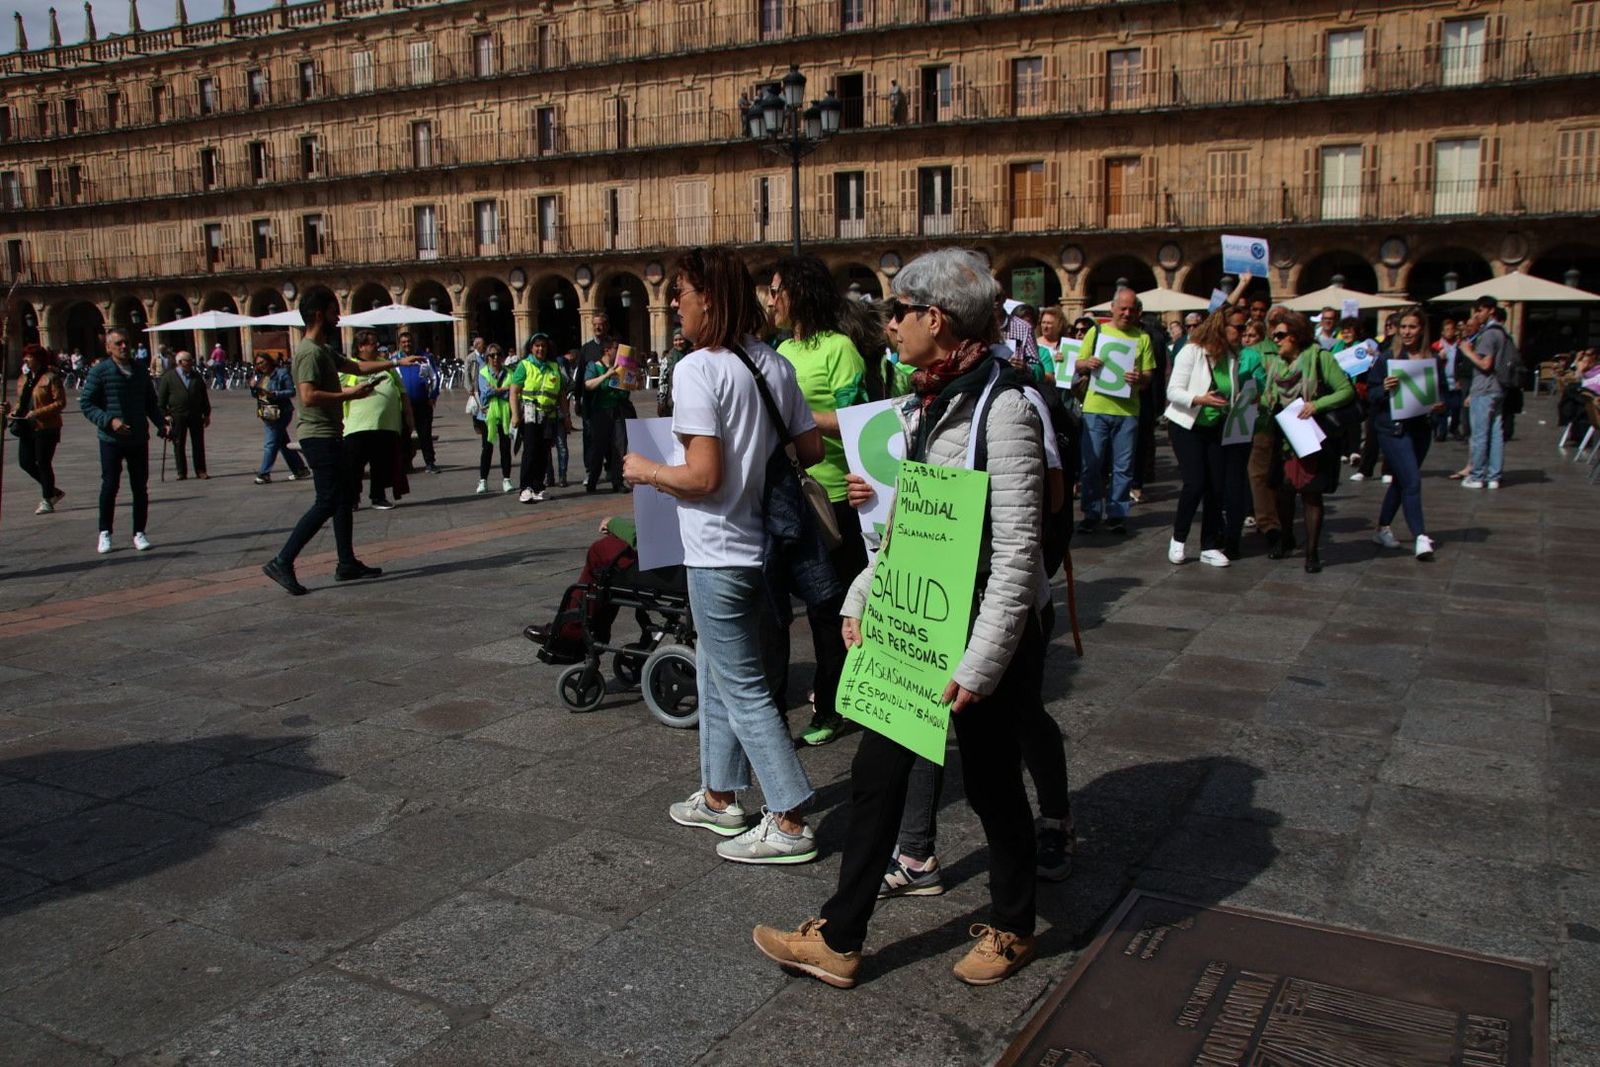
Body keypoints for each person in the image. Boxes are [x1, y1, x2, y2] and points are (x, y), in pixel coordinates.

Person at [752, 248, 1047, 989]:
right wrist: (860, 597)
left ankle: (1013, 923)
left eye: (898, 311)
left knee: (989, 781)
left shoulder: (1003, 409)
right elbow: (910, 527)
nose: (889, 324)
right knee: (876, 771)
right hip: (918, 620)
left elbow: (1016, 556)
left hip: (987, 629)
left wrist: (980, 664)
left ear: (934, 319)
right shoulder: (920, 405)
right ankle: (839, 936)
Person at [620, 245, 824, 865]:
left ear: (707, 296)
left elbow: (703, 477)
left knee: (744, 687)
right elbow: (810, 450)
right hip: (762, 547)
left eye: (678, 294)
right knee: (715, 670)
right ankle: (719, 795)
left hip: (717, 549)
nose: (672, 306)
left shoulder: (696, 370)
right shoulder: (772, 363)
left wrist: (649, 470)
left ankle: (787, 818)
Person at [767, 254, 870, 747]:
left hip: (832, 496)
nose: (771, 299)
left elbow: (857, 420)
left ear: (800, 291)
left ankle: (834, 706)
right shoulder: (779, 347)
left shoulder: (840, 348)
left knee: (832, 610)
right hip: (787, 495)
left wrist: (798, 416)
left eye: (777, 289)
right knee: (779, 610)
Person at [261, 290, 425, 595]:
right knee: (328, 500)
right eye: (335, 311)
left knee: (344, 498)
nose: (339, 317)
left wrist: (395, 362)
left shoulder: (323, 350)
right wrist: (348, 395)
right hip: (317, 436)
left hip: (331, 434)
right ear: (320, 314)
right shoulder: (309, 352)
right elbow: (307, 396)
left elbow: (356, 367)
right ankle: (282, 560)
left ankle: (346, 562)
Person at [1262, 311, 1354, 573]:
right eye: (1273, 336)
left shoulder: (1319, 358)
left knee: (1311, 494)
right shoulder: (1278, 366)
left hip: (1313, 433)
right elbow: (1272, 397)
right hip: (1285, 436)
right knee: (1283, 491)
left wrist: (1316, 404)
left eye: (1280, 335)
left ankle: (1312, 552)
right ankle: (1287, 537)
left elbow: (1345, 391)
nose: (1275, 340)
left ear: (1296, 335)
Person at [1164, 310, 1241, 568]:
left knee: (1216, 487)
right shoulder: (1191, 352)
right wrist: (1200, 399)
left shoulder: (1230, 357)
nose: (1240, 334)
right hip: (1186, 425)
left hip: (1216, 426)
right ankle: (1178, 537)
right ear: (1222, 327)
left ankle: (1209, 545)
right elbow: (1173, 391)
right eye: (1237, 328)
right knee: (1195, 483)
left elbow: (1231, 391)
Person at [1075, 287, 1153, 535]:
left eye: (1132, 309)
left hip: (1128, 412)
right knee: (1091, 464)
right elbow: (1077, 364)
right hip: (1095, 409)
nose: (1127, 313)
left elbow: (1150, 375)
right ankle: (1091, 512)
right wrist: (1087, 364)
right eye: (1123, 308)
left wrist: (1140, 377)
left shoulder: (1143, 338)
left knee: (1123, 467)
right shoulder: (1095, 332)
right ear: (1113, 307)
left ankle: (1117, 513)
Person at [80, 327, 166, 553]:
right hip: (111, 439)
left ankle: (139, 532)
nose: (124, 347)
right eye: (118, 343)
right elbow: (87, 404)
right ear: (108, 348)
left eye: (126, 342)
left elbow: (150, 402)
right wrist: (109, 421)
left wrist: (162, 424)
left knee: (140, 487)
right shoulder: (100, 371)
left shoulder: (140, 370)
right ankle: (105, 532)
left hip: (138, 437)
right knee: (110, 485)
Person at [1369, 307, 1441, 561]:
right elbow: (1371, 394)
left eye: (1412, 327)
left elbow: (1438, 393)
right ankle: (1421, 537)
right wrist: (1384, 388)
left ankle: (1382, 528)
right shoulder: (1387, 358)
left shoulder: (1430, 358)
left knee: (1402, 481)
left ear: (1421, 329)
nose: (1407, 332)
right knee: (1412, 480)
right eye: (1404, 327)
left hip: (1420, 427)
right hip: (1393, 429)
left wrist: (1437, 404)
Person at [342, 330, 412, 510]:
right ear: (360, 347)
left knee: (380, 463)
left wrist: (408, 416)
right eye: (372, 343)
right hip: (357, 425)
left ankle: (378, 496)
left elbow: (402, 391)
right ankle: (351, 498)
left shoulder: (385, 364)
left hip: (385, 424)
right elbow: (338, 391)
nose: (377, 346)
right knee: (354, 465)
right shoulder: (350, 366)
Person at [3, 343, 68, 514]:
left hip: (47, 427)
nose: (25, 359)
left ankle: (47, 499)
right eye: (25, 356)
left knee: (43, 462)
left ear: (38, 359)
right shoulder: (23, 379)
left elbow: (60, 403)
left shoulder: (50, 377)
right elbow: (21, 402)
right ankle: (53, 490)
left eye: (29, 356)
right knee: (25, 462)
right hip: (26, 426)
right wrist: (11, 410)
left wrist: (38, 412)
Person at [1458, 296, 1512, 490]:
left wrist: (1467, 352)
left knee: (1480, 434)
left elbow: (1485, 364)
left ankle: (1477, 475)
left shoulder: (1489, 334)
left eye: (1480, 311)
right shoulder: (1503, 332)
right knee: (1496, 434)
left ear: (1490, 310)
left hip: (1484, 388)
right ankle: (1494, 476)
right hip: (1498, 388)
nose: (1477, 315)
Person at [510, 332, 563, 502]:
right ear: (531, 348)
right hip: (530, 413)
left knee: (544, 451)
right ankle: (525, 487)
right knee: (530, 450)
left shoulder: (553, 366)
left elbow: (561, 393)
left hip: (549, 415)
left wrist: (566, 416)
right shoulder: (524, 365)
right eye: (537, 346)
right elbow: (514, 391)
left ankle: (538, 486)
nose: (540, 349)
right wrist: (515, 415)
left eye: (543, 346)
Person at [250, 352, 310, 484]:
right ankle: (300, 469)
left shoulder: (281, 373)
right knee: (282, 443)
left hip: (281, 412)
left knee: (270, 443)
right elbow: (256, 395)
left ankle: (264, 473)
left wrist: (275, 394)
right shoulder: (259, 376)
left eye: (262, 362)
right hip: (267, 412)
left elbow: (291, 391)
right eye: (258, 364)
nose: (261, 366)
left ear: (269, 361)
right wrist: (253, 387)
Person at [583, 338, 630, 493]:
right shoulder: (594, 366)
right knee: (599, 447)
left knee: (619, 446)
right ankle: (592, 480)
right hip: (600, 412)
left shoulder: (620, 367)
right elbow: (588, 384)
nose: (619, 351)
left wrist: (631, 383)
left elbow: (624, 391)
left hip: (617, 410)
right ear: (607, 350)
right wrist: (606, 375)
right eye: (616, 348)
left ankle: (618, 481)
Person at [391, 329, 441, 474]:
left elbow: (434, 377)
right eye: (404, 342)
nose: (407, 344)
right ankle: (406, 463)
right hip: (403, 404)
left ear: (413, 342)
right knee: (404, 435)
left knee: (425, 434)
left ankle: (430, 462)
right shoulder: (396, 360)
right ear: (400, 344)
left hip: (422, 403)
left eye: (409, 341)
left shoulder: (425, 357)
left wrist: (433, 396)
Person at [156, 350, 211, 480]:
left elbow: (204, 396)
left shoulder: (196, 376)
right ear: (180, 362)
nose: (191, 362)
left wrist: (207, 413)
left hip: (195, 414)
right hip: (177, 415)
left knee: (198, 443)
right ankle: (181, 472)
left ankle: (200, 470)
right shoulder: (168, 377)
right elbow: (161, 399)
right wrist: (165, 415)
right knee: (178, 443)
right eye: (189, 360)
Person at [473, 344, 514, 495]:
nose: (495, 358)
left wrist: (497, 390)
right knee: (487, 448)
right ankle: (483, 481)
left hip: (505, 415)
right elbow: (485, 392)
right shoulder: (483, 372)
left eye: (498, 354)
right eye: (492, 355)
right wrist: (503, 389)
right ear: (487, 358)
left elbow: (512, 392)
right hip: (486, 416)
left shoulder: (509, 372)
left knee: (505, 448)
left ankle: (507, 479)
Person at [1432, 316, 1465, 443]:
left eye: (1452, 329)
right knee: (1442, 407)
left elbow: (1463, 363)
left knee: (1456, 407)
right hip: (1442, 381)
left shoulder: (1459, 345)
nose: (1450, 332)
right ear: (1442, 332)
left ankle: (1454, 428)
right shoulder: (1436, 346)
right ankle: (1442, 431)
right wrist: (1438, 357)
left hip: (1455, 381)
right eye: (1447, 329)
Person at [656, 330, 691, 417]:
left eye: (681, 339)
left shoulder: (692, 355)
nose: (678, 342)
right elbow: (662, 381)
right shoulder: (668, 358)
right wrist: (661, 402)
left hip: (690, 401)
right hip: (672, 402)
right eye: (675, 340)